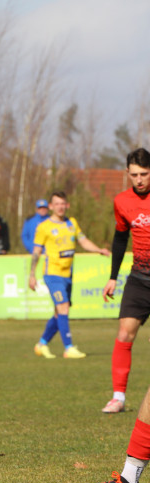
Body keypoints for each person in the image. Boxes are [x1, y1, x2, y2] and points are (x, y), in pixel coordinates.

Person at [29, 191, 109, 359]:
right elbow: (36, 252)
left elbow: (83, 241)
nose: (60, 206)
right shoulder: (44, 227)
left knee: (60, 312)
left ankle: (42, 344)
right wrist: (32, 275)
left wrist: (99, 250)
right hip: (52, 275)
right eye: (56, 203)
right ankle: (68, 347)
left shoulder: (72, 223)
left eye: (62, 203)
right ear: (51, 206)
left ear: (67, 205)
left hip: (68, 274)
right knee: (63, 306)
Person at [101, 148, 150, 414]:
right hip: (139, 279)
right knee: (124, 334)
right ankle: (118, 397)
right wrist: (112, 277)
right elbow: (120, 238)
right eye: (135, 175)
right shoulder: (122, 201)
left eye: (144, 174)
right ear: (127, 174)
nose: (140, 179)